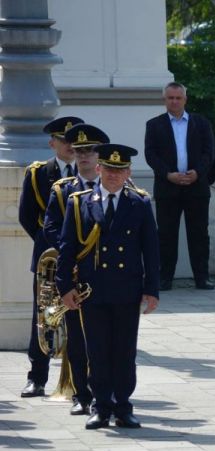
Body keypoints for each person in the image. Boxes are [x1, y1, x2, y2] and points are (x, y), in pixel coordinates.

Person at [56, 144, 160, 430]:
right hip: (92, 290)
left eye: (120, 170)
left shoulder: (138, 202)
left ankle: (123, 406)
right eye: (109, 169)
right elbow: (67, 248)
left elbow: (150, 250)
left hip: (127, 291)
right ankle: (100, 407)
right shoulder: (79, 203)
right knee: (97, 351)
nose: (114, 175)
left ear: (128, 173)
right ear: (99, 169)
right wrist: (65, 287)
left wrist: (152, 290)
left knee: (125, 351)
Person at [41, 123, 111, 416]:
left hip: (108, 277)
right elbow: (51, 228)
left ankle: (105, 395)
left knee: (108, 341)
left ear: (100, 156)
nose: (84, 157)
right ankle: (82, 394)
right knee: (79, 341)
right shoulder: (62, 190)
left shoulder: (117, 187)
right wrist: (71, 253)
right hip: (76, 277)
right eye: (80, 151)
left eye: (90, 151)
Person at [17, 115, 83, 398]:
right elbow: (27, 217)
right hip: (50, 257)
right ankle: (37, 377)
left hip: (84, 257)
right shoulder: (38, 173)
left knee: (81, 320)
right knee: (44, 316)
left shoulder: (91, 171)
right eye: (63, 140)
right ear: (52, 143)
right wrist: (53, 248)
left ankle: (83, 381)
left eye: (73, 141)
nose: (69, 145)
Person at [144, 82, 215, 290]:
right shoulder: (154, 125)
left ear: (185, 99)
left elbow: (209, 152)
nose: (174, 101)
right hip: (168, 187)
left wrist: (197, 173)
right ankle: (165, 278)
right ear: (164, 100)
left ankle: (202, 278)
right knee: (166, 234)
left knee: (199, 235)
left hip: (197, 187)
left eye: (178, 98)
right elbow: (151, 155)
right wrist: (168, 174)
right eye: (170, 98)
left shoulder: (201, 123)